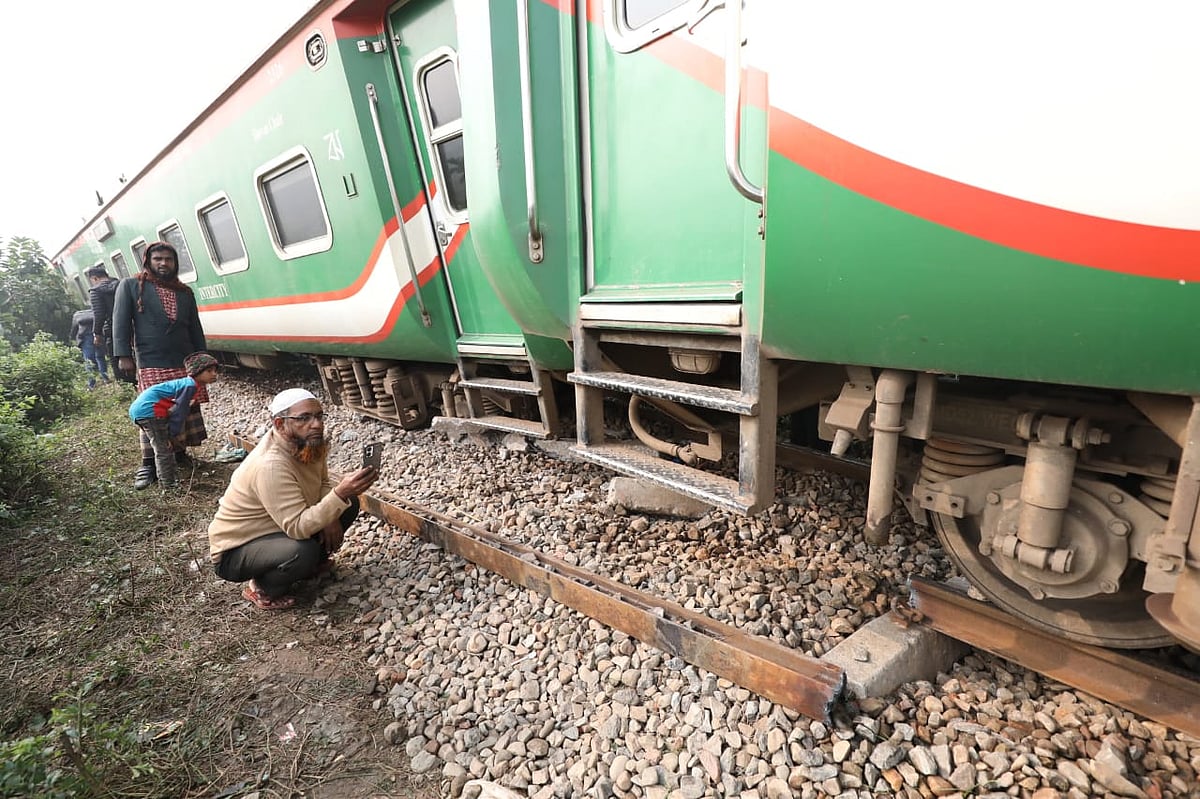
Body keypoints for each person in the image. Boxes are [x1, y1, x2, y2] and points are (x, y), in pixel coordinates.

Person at [207, 388, 378, 610]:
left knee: (347, 504)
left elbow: (323, 484)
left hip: (274, 529)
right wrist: (338, 496)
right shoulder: (270, 465)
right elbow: (297, 527)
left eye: (318, 416)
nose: (315, 424)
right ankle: (262, 587)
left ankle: (309, 566)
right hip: (236, 550)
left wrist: (333, 510)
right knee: (301, 550)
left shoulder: (307, 442)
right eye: (304, 418)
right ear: (279, 424)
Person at [112, 242, 208, 490]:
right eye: (158, 259)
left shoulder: (184, 292)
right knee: (153, 412)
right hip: (151, 360)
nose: (163, 263)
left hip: (184, 359)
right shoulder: (132, 286)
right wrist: (123, 354)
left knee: (184, 409)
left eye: (168, 259)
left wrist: (202, 358)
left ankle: (178, 453)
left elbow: (194, 327)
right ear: (148, 261)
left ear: (175, 263)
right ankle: (148, 464)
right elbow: (120, 322)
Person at [128, 352, 221, 490]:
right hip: (150, 412)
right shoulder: (190, 386)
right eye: (209, 371)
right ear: (197, 372)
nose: (214, 374)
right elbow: (179, 413)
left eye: (215, 371)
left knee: (162, 446)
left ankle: (168, 480)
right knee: (163, 450)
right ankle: (169, 485)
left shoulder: (189, 384)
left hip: (144, 410)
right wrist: (172, 434)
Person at [86, 265, 121, 381]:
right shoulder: (120, 284)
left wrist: (97, 333)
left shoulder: (95, 291)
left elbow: (99, 315)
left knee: (116, 358)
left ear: (94, 278)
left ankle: (127, 384)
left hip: (112, 328)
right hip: (132, 324)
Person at [69, 308, 109, 388]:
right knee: (100, 357)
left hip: (85, 338)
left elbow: (74, 329)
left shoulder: (77, 315)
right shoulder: (96, 312)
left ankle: (91, 384)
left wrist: (72, 338)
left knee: (89, 361)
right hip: (98, 335)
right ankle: (105, 378)